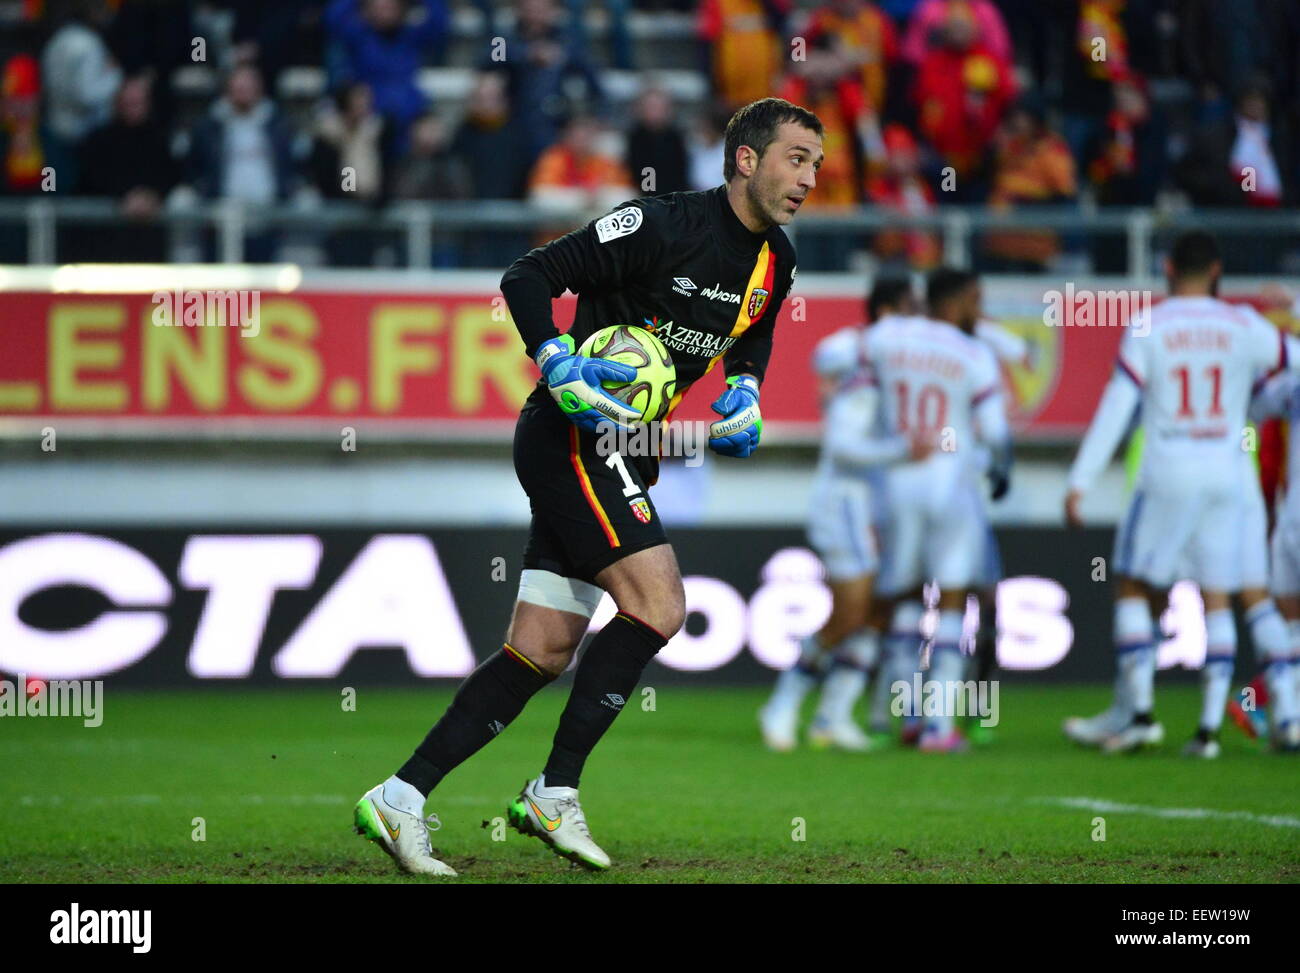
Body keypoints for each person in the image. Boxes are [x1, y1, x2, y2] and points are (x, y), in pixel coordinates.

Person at [353, 97, 822, 875]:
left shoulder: (778, 261)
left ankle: (400, 795)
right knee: (661, 604)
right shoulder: (660, 224)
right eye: (796, 158)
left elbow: (755, 331)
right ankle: (554, 789)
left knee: (539, 650)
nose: (809, 178)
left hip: (627, 450)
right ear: (747, 158)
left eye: (815, 163)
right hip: (573, 435)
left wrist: (745, 388)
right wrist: (557, 361)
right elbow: (528, 275)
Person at [1063, 231, 1300, 756]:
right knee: (1229, 591)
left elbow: (1116, 407)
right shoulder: (1244, 324)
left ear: (1168, 268)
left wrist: (1081, 477)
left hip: (1170, 467)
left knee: (1130, 584)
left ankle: (1142, 716)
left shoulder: (1150, 325)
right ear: (1216, 270)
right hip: (1230, 473)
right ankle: (1253, 721)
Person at [759, 277, 924, 752]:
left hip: (881, 506)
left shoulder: (893, 378)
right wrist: (901, 450)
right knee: (852, 610)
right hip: (846, 503)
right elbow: (843, 445)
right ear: (890, 313)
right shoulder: (863, 375)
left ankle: (831, 716)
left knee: (879, 609)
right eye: (911, 312)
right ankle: (782, 702)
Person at [864, 267, 1012, 752]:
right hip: (952, 482)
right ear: (963, 299)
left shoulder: (890, 339)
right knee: (950, 600)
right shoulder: (973, 354)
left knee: (906, 598)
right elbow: (995, 431)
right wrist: (1001, 470)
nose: (979, 312)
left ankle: (906, 714)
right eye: (976, 301)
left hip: (899, 481)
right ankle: (937, 727)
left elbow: (840, 356)